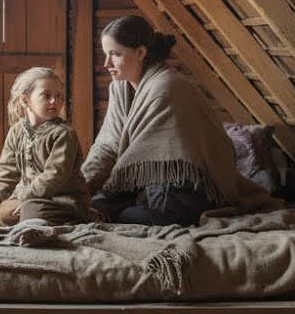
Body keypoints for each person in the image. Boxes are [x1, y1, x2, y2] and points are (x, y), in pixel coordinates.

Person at [83, 15, 263, 226]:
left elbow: (136, 159)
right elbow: (109, 144)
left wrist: (104, 193)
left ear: (140, 53)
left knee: (127, 216)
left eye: (115, 54)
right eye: (105, 54)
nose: (106, 63)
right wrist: (79, 185)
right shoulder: (120, 88)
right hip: (148, 182)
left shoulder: (167, 87)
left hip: (186, 187)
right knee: (93, 206)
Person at [0, 67, 90, 226]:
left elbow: (55, 175)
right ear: (25, 100)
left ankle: (81, 215)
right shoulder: (16, 131)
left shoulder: (64, 134)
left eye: (58, 96)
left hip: (63, 198)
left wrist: (28, 198)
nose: (54, 101)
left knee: (33, 211)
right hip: (29, 196)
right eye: (46, 96)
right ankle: (30, 213)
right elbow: (8, 169)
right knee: (2, 213)